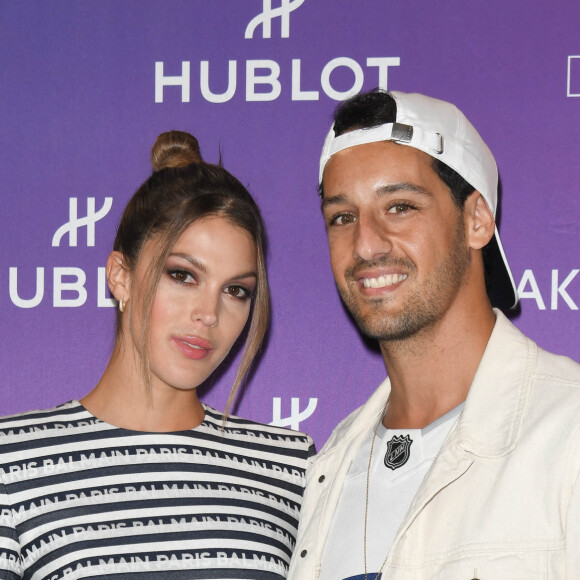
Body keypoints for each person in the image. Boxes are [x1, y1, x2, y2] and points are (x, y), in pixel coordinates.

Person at [288, 90, 580, 579]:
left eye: (399, 206)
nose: (365, 243)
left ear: (476, 220)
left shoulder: (568, 434)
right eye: (342, 217)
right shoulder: (331, 465)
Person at [0, 131, 314, 580]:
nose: (208, 314)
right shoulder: (12, 463)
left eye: (236, 290)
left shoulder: (292, 468)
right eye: (182, 275)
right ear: (120, 276)